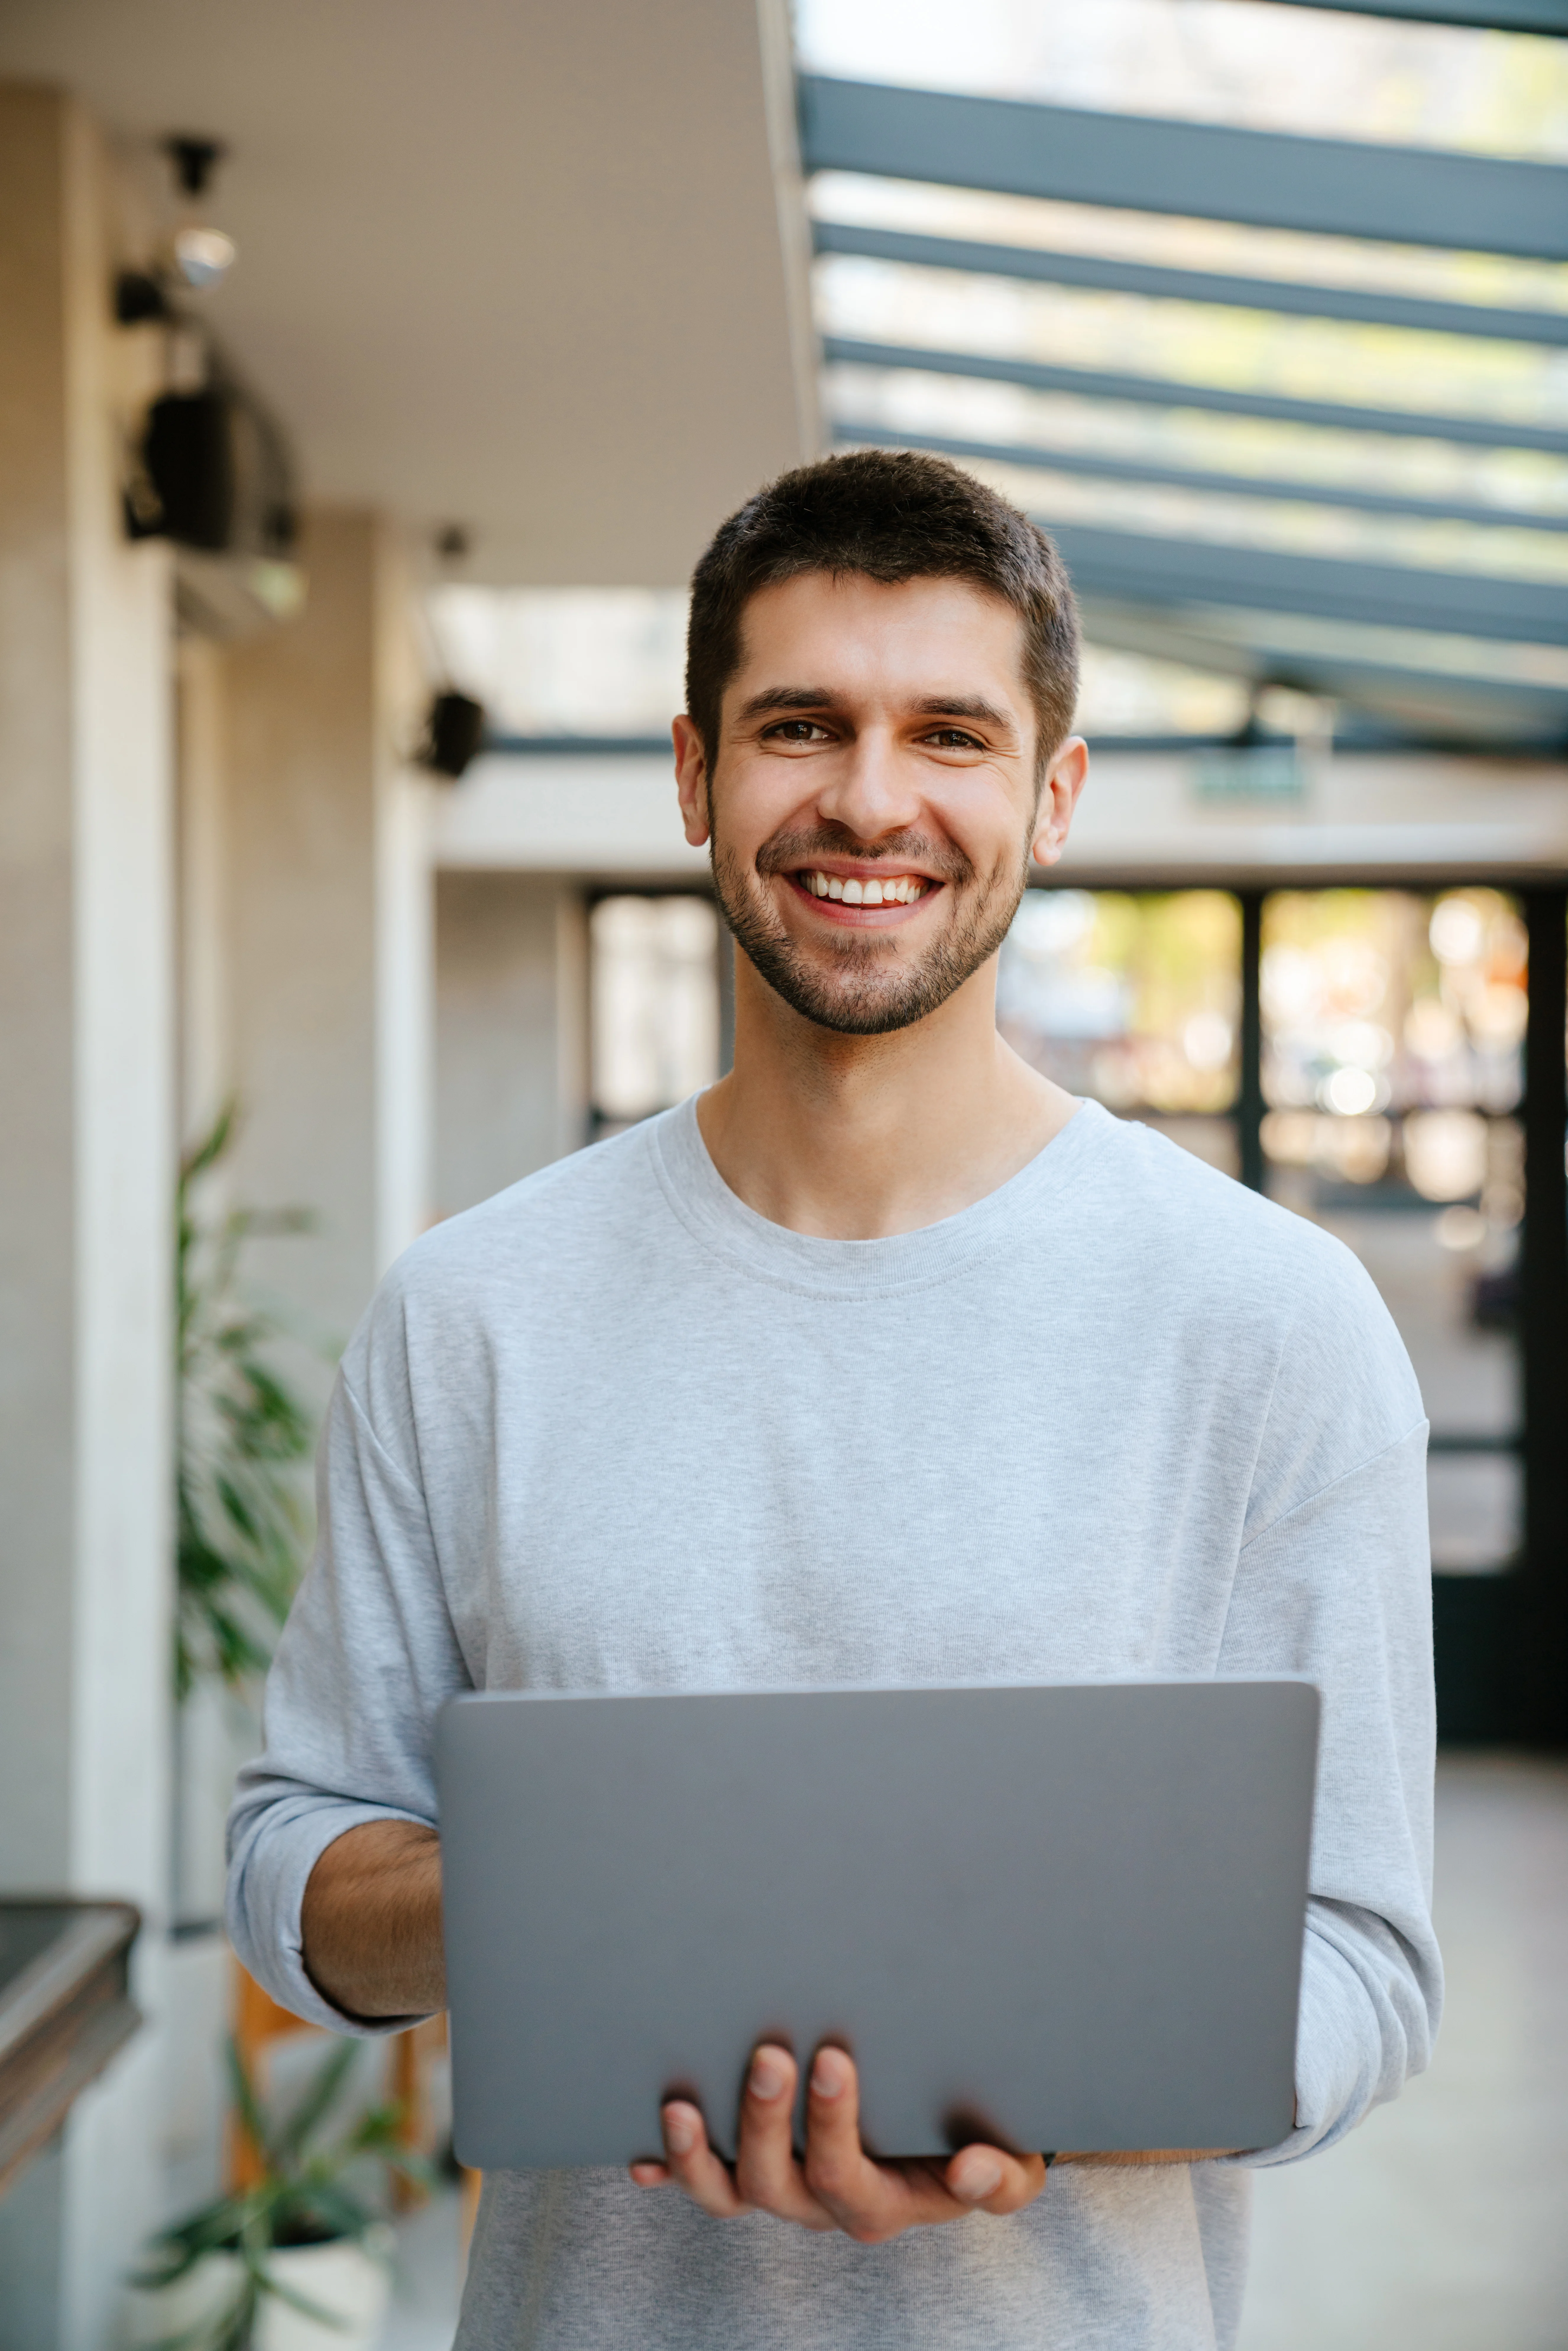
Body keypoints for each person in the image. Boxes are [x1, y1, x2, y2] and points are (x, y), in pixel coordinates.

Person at [228, 450, 1440, 2350]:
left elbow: (1365, 1963)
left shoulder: (1267, 1320)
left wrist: (1043, 2076)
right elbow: (290, 1867)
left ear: (1051, 794)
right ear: (697, 774)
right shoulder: (472, 1309)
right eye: (801, 725)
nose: (869, 799)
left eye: (946, 733)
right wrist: (591, 1898)